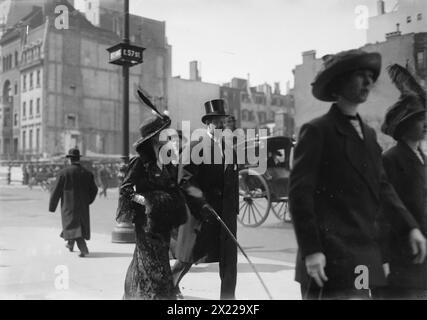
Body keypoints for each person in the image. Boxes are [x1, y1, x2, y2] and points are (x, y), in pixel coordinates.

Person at [288, 49, 426, 300]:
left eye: (370, 76)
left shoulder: (369, 135)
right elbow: (300, 196)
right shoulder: (317, 131)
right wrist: (311, 251)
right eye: (359, 76)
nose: (368, 83)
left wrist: (410, 228)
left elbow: (383, 187)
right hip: (326, 260)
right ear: (339, 84)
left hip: (362, 260)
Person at [117, 95, 187, 300]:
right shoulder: (139, 163)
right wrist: (146, 201)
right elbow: (126, 191)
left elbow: (175, 186)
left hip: (163, 227)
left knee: (158, 267)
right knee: (152, 269)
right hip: (146, 227)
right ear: (155, 138)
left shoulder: (166, 162)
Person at [171, 99, 239, 300]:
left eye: (223, 121)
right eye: (216, 121)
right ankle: (170, 285)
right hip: (202, 213)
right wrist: (202, 204)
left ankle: (228, 299)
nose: (220, 125)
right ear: (207, 123)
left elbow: (232, 181)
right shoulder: (195, 147)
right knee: (188, 255)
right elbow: (184, 180)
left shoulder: (230, 149)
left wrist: (233, 208)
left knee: (229, 260)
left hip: (225, 214)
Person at [380, 72, 427, 299]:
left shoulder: (421, 157)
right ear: (404, 124)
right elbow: (383, 213)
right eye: (420, 119)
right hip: (401, 260)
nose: (426, 124)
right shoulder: (391, 159)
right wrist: (384, 260)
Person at [49, 148, 98, 257]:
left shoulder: (63, 173)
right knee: (77, 225)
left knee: (72, 225)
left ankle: (83, 248)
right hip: (82, 206)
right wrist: (88, 201)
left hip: (68, 205)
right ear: (78, 159)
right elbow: (94, 190)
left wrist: (52, 206)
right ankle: (70, 244)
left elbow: (56, 190)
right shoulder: (87, 173)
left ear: (69, 159)